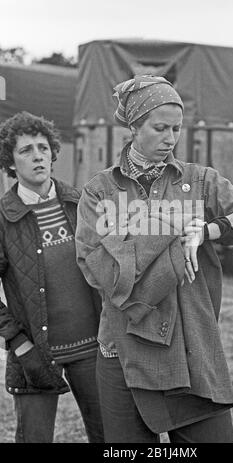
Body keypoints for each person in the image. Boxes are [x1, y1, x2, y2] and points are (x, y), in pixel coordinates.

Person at [75, 75, 233, 443]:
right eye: (160, 127)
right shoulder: (100, 190)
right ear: (134, 127)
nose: (170, 138)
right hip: (122, 351)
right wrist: (168, 230)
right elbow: (95, 266)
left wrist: (206, 231)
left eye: (177, 129)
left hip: (191, 347)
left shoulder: (199, 181)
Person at [0, 111, 104, 443]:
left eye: (43, 148)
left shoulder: (81, 203)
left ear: (53, 153)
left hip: (94, 348)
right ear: (11, 162)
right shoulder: (4, 218)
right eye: (26, 150)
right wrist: (18, 343)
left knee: (112, 441)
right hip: (35, 355)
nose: (37, 156)